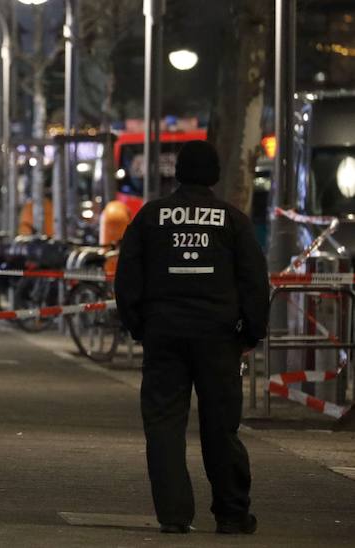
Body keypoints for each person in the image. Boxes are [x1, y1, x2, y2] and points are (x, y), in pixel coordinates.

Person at [114, 140, 269, 535]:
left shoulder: (150, 217)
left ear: (178, 172)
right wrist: (252, 331)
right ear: (215, 175)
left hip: (164, 334)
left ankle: (174, 514)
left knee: (164, 424)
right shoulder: (233, 220)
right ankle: (232, 514)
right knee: (221, 425)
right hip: (219, 336)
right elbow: (254, 280)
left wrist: (138, 325)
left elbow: (127, 274)